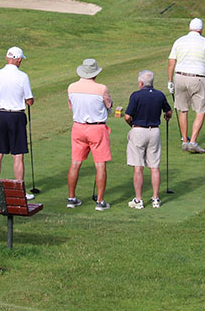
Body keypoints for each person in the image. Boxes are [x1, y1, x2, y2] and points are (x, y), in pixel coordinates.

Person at [166, 18, 205, 154]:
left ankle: (185, 141)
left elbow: (171, 62)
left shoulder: (179, 41)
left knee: (182, 109)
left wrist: (170, 81)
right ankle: (193, 142)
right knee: (201, 110)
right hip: (197, 78)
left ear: (189, 28)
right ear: (201, 29)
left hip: (180, 77)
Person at [67, 58, 113, 211]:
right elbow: (108, 105)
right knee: (100, 164)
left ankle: (71, 198)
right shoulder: (102, 88)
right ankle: (100, 202)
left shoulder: (72, 87)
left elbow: (71, 106)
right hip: (97, 129)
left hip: (78, 127)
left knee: (75, 163)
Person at [124, 70, 172, 209]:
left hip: (138, 130)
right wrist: (167, 117)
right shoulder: (160, 95)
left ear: (140, 83)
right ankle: (155, 199)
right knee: (154, 167)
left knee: (138, 167)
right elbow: (168, 112)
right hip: (154, 132)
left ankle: (139, 200)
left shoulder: (136, 95)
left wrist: (132, 125)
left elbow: (127, 116)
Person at [0, 46, 34, 199]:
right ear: (19, 59)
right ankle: (19, 190)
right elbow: (29, 100)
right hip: (16, 116)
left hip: (0, 115)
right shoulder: (23, 76)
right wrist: (29, 100)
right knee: (18, 154)